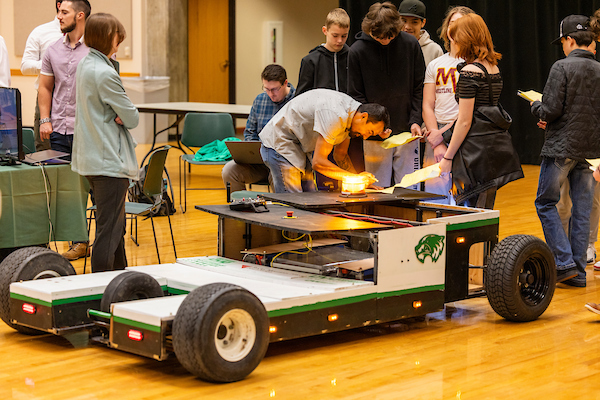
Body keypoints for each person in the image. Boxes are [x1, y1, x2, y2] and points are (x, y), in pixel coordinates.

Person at [531, 14, 600, 287]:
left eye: (562, 41)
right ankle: (579, 274)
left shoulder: (561, 67)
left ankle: (564, 262)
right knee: (582, 209)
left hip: (561, 147)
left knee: (545, 202)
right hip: (590, 149)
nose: (562, 46)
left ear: (570, 40)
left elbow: (550, 110)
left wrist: (536, 108)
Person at [71, 13, 139, 273]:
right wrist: (122, 114)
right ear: (105, 38)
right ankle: (100, 294)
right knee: (108, 233)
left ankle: (121, 284)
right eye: (116, 39)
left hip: (90, 159)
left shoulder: (85, 65)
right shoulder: (104, 73)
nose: (118, 44)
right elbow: (131, 116)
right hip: (108, 161)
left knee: (114, 230)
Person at [439, 13, 522, 209]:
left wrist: (447, 157)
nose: (454, 43)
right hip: (494, 147)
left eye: (456, 37)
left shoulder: (470, 72)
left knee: (474, 213)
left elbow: (466, 121)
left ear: (466, 38)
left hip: (475, 152)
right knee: (485, 210)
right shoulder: (493, 67)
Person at [348, 2, 425, 189]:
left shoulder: (411, 44)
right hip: (374, 134)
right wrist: (374, 127)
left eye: (389, 36)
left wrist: (415, 120)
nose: (384, 41)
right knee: (377, 188)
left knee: (409, 188)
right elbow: (355, 95)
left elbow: (419, 87)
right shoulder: (357, 51)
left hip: (408, 131)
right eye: (378, 37)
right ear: (369, 30)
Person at [38, 0, 91, 261]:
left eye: (64, 12)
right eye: (59, 12)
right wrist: (44, 119)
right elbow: (45, 87)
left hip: (87, 132)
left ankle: (95, 241)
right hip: (58, 130)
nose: (59, 17)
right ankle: (73, 242)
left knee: (87, 188)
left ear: (79, 16)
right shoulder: (52, 50)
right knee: (61, 188)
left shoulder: (97, 49)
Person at [259, 89, 391, 193]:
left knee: (310, 198)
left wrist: (360, 183)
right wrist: (354, 178)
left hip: (300, 146)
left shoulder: (351, 118)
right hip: (281, 142)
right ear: (364, 116)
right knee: (294, 200)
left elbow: (340, 155)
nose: (365, 137)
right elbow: (319, 163)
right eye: (369, 132)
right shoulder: (336, 115)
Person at [421, 6, 473, 204]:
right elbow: (427, 104)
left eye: (461, 23)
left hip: (464, 134)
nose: (455, 28)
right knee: (435, 198)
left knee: (464, 199)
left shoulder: (475, 65)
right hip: (436, 135)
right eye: (452, 23)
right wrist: (437, 140)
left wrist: (446, 136)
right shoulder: (436, 64)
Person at [221, 64, 295, 193]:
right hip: (259, 162)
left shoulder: (297, 101)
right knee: (229, 171)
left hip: (285, 163)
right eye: (266, 89)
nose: (270, 94)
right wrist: (251, 151)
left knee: (278, 175)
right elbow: (250, 132)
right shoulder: (260, 100)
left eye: (275, 89)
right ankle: (241, 209)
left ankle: (279, 211)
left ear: (285, 83)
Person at [20, 1, 64, 151]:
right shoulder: (41, 32)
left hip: (76, 102)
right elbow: (25, 66)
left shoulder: (86, 34)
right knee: (46, 152)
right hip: (47, 99)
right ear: (59, 5)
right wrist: (51, 65)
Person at [297, 8, 350, 95]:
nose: (340, 40)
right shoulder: (310, 61)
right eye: (335, 35)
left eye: (344, 36)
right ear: (325, 31)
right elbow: (302, 98)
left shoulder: (353, 58)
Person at [398, 0, 443, 66]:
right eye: (404, 21)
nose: (407, 27)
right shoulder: (390, 45)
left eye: (414, 22)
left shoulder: (434, 50)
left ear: (423, 23)